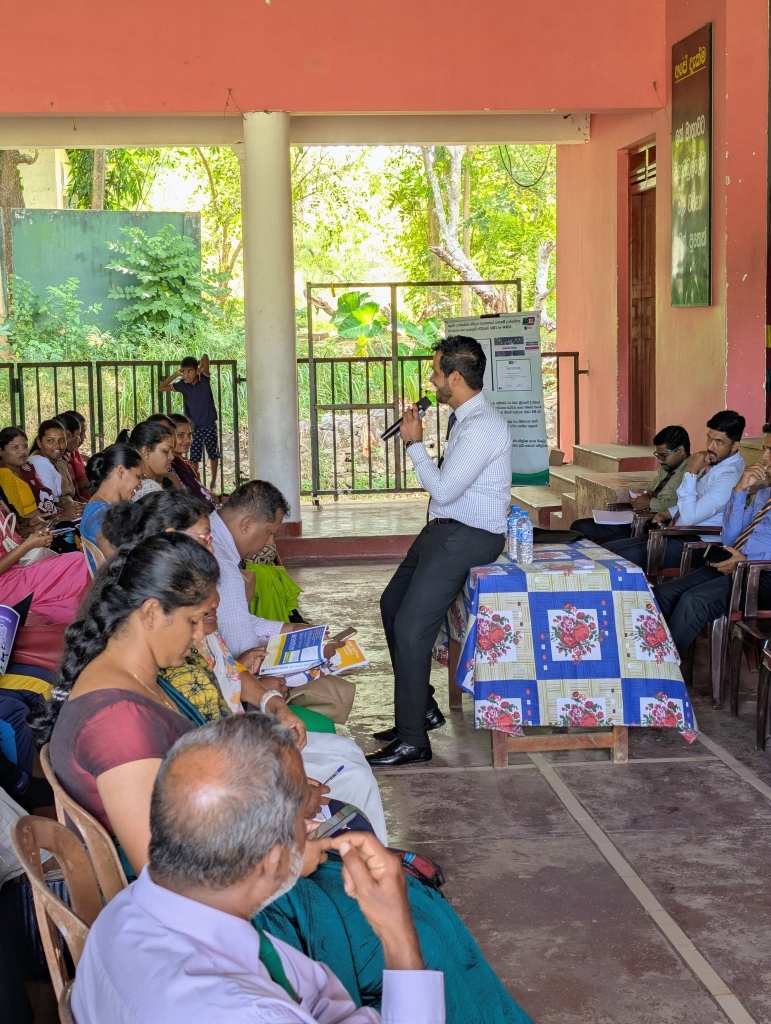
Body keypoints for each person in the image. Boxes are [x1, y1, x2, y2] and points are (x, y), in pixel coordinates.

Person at [39, 537, 532, 1023]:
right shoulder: (118, 721)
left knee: (408, 900)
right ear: (149, 613)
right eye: (193, 622)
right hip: (205, 899)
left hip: (217, 871)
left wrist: (287, 810)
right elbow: (169, 867)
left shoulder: (137, 681)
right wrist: (286, 851)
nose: (198, 637)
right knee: (420, 925)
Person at [71, 715, 446, 1024]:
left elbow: (314, 995)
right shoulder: (248, 1012)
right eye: (304, 819)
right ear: (274, 860)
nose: (314, 825)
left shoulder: (125, 910)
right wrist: (397, 935)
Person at [370, 336, 511, 767]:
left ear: (455, 377)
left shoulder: (482, 424)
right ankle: (423, 707)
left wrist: (414, 445)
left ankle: (414, 739)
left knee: (413, 628)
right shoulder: (463, 418)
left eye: (434, 373)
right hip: (444, 530)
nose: (430, 381)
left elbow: (446, 489)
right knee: (392, 605)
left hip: (470, 536)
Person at [654, 426, 771, 658]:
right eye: (765, 449)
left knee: (693, 601)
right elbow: (730, 538)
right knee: (662, 595)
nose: (764, 457)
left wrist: (748, 562)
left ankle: (663, 675)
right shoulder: (764, 494)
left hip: (764, 574)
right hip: (738, 566)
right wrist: (739, 491)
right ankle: (645, 661)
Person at [603, 410, 747, 570]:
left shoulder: (729, 477)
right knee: (610, 551)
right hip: (679, 533)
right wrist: (669, 512)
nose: (710, 446)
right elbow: (696, 500)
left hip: (699, 544)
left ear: (735, 445)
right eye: (709, 438)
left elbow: (689, 518)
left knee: (622, 558)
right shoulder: (717, 464)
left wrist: (691, 473)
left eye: (719, 442)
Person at [210, 481, 306, 664]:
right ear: (247, 524)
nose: (270, 542)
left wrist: (292, 629)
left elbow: (238, 620)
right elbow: (243, 647)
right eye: (269, 532)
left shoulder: (209, 528)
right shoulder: (224, 568)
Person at [570, 425, 690, 544]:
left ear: (680, 451)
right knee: (579, 527)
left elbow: (683, 507)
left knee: (606, 544)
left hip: (657, 526)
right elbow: (649, 490)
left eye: (663, 456)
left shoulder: (693, 473)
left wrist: (649, 503)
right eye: (657, 456)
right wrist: (639, 497)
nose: (660, 461)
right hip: (637, 519)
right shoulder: (666, 467)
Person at [0, 494, 89, 622]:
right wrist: (28, 545)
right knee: (76, 563)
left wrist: (37, 537)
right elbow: (21, 547)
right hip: (6, 585)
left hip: (15, 570)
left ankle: (70, 618)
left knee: (75, 561)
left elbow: (13, 543)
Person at [159, 353, 220, 491]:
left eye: (190, 371)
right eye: (184, 372)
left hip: (209, 423)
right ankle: (196, 482)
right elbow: (162, 387)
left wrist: (200, 369)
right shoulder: (182, 385)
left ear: (196, 370)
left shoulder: (203, 379)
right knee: (195, 457)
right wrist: (176, 374)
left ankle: (213, 484)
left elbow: (205, 357)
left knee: (213, 454)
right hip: (194, 427)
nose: (187, 375)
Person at [79, 443, 144, 568]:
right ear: (120, 471)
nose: (140, 485)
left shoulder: (110, 508)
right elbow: (120, 564)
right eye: (138, 477)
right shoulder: (99, 514)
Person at [28, 419, 83, 512]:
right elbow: (49, 506)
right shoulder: (39, 463)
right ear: (39, 442)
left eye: (61, 440)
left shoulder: (58, 460)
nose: (57, 445)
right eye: (50, 441)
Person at [0, 428, 52, 524]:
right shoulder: (5, 475)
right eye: (15, 447)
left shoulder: (26, 468)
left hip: (44, 520)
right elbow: (15, 518)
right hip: (29, 529)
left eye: (25, 446)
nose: (23, 451)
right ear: (1, 451)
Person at [167, 412, 217, 510]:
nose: (188, 440)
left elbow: (200, 492)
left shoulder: (186, 463)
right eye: (181, 435)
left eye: (189, 435)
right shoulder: (169, 466)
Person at [122, 420, 176, 501]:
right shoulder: (147, 488)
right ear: (146, 451)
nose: (172, 457)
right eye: (166, 451)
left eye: (172, 451)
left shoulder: (146, 482)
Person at [56, 412, 90, 501]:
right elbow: (71, 493)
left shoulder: (70, 455)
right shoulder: (57, 461)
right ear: (67, 435)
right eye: (79, 434)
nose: (82, 438)